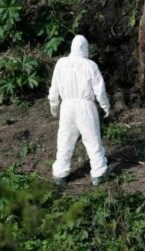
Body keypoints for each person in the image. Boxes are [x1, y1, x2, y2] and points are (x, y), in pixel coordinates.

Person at [48, 35, 111, 187]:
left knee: (65, 140)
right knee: (92, 139)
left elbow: (54, 88)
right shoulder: (90, 65)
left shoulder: (61, 64)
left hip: (67, 107)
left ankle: (60, 173)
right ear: (85, 48)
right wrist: (105, 106)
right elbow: (100, 90)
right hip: (85, 107)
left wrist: (54, 106)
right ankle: (99, 172)